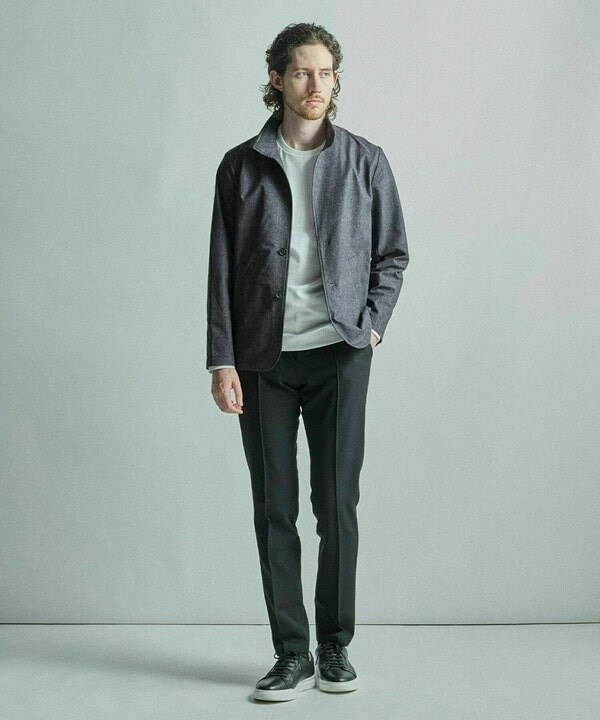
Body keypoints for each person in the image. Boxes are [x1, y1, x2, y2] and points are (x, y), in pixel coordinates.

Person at [206, 22, 409, 702]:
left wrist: (371, 325)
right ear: (277, 79)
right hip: (262, 360)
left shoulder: (365, 161)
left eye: (326, 72)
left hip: (339, 356)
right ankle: (291, 652)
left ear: (337, 78)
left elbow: (393, 254)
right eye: (301, 72)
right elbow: (221, 269)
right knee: (274, 508)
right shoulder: (241, 166)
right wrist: (221, 360)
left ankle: (335, 646)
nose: (316, 84)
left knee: (337, 504)